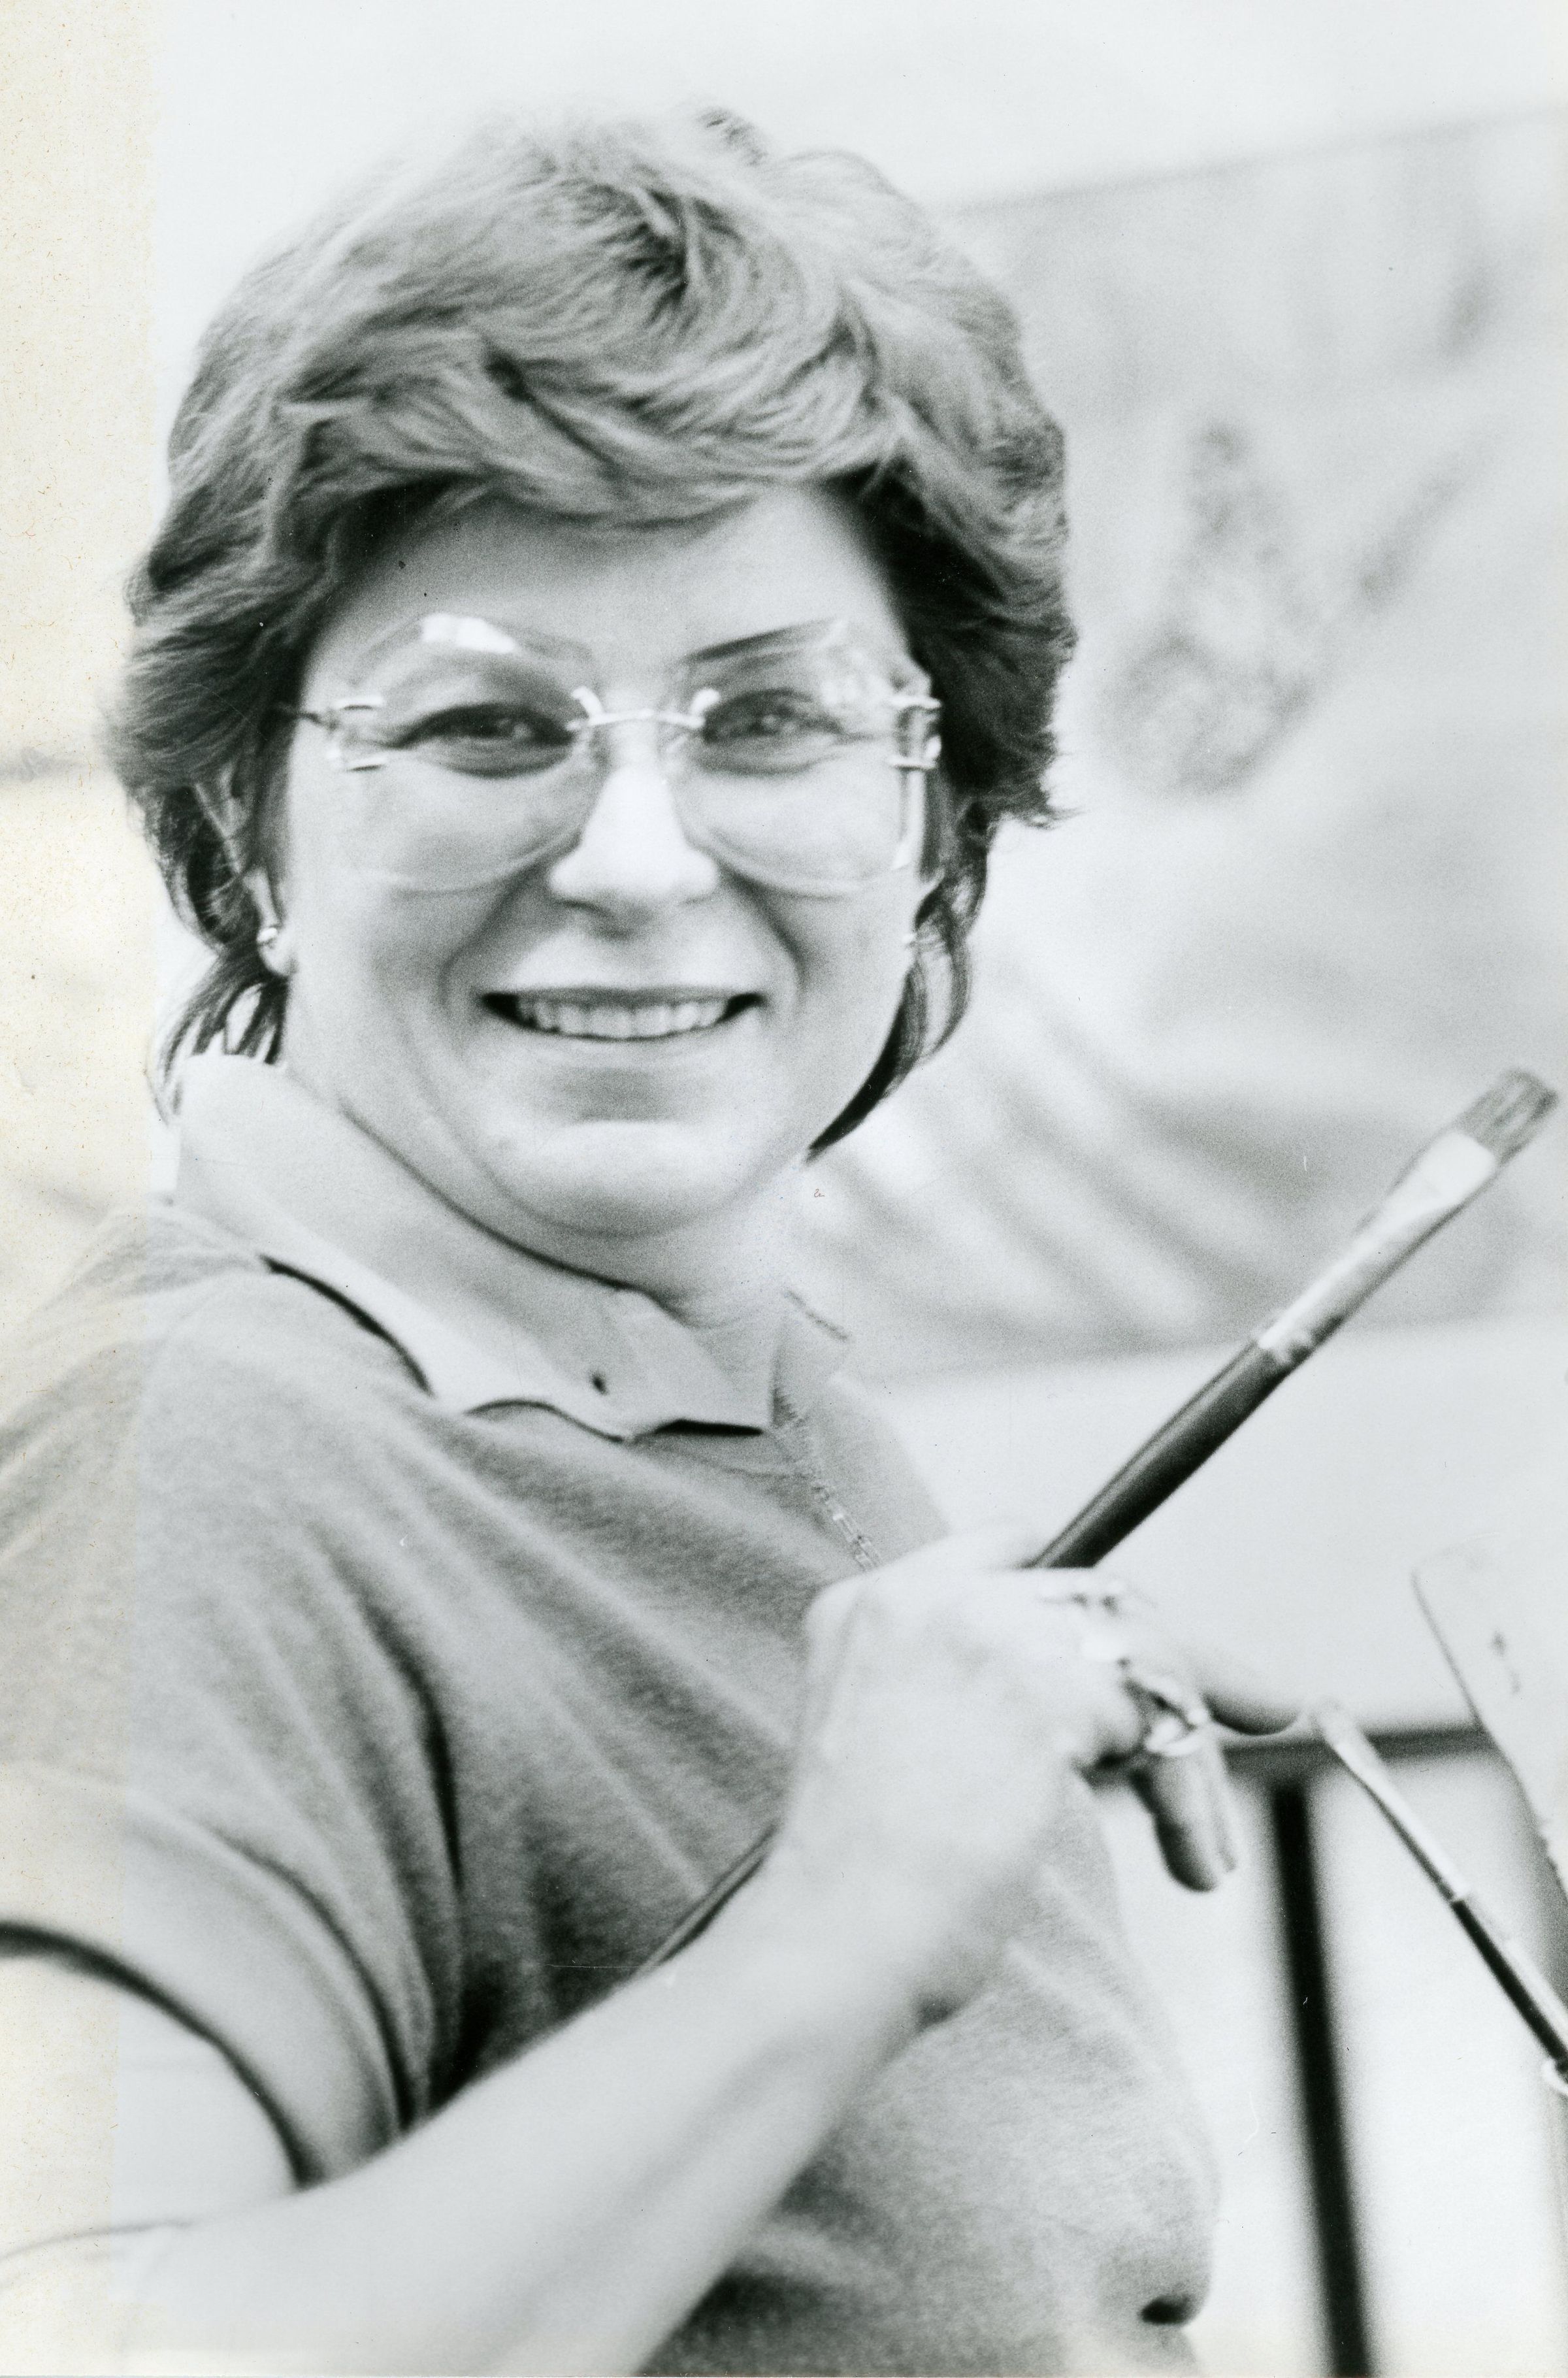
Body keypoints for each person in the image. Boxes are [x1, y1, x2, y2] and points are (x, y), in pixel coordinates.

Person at [0, 111, 1294, 2375]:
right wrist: (847, 1925)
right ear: (247, 819)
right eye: (482, 721)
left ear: (934, 820)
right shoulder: (204, 1453)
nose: (633, 855)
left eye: (770, 718)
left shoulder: (753, 1406)